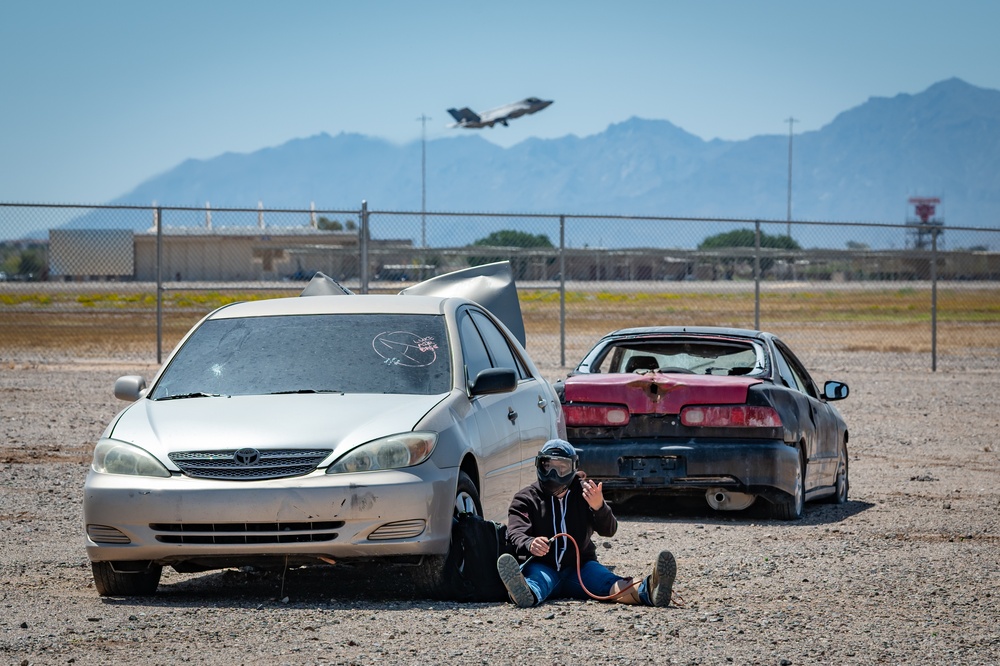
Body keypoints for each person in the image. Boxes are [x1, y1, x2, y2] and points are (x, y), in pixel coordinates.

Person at [496, 439, 676, 608]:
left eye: (562, 467)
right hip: (542, 565)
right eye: (548, 465)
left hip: (581, 567)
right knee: (537, 582)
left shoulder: (586, 492)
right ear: (539, 465)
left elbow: (609, 530)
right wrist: (530, 543)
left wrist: (599, 507)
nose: (554, 473)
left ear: (573, 468)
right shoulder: (525, 498)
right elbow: (515, 532)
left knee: (610, 583)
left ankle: (650, 590)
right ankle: (522, 593)